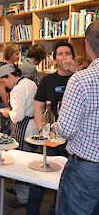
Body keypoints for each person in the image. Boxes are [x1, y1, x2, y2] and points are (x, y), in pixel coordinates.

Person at [26, 41, 75, 215]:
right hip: (50, 137)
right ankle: (32, 211)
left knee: (65, 181)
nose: (64, 57)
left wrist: (75, 70)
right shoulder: (47, 80)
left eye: (67, 53)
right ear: (54, 59)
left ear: (73, 57)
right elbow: (38, 106)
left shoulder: (79, 79)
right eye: (60, 54)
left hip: (72, 140)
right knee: (40, 177)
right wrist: (41, 130)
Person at [56, 21, 99, 215]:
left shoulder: (81, 79)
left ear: (86, 44)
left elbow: (66, 128)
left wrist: (55, 126)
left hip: (86, 168)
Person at [0, 64, 39, 209]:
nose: (5, 86)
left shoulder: (17, 89)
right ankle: (21, 191)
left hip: (24, 127)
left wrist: (8, 112)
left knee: (21, 162)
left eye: (4, 82)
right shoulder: (30, 83)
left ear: (9, 76)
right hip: (33, 125)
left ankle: (23, 198)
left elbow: (17, 116)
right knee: (30, 159)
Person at [0, 43, 21, 135]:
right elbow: (2, 90)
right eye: (16, 54)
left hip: (12, 101)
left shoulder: (14, 67)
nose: (18, 56)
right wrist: (7, 106)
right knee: (5, 130)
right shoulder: (4, 69)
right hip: (5, 102)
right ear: (10, 55)